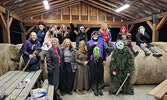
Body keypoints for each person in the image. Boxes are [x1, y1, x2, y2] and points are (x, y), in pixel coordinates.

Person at [87, 31, 106, 96]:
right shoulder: (89, 42)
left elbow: (104, 51)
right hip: (92, 60)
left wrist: (104, 59)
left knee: (100, 74)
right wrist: (93, 45)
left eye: (97, 35)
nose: (95, 36)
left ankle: (99, 88)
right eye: (94, 35)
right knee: (93, 74)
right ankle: (94, 88)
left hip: (100, 60)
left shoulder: (101, 42)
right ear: (92, 36)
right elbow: (88, 51)